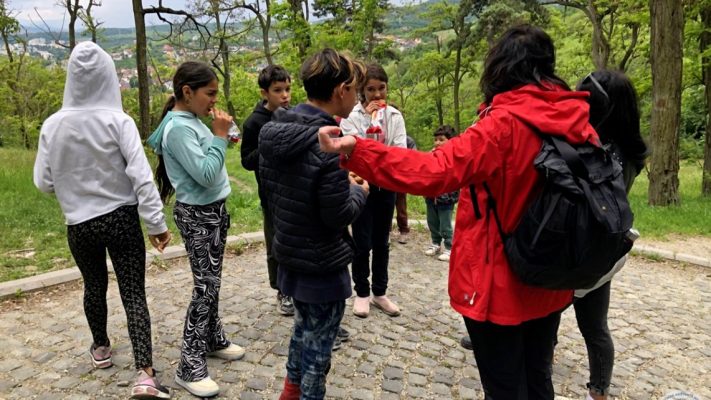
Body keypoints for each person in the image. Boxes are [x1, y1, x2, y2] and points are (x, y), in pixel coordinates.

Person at [318, 25, 599, 398]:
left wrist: (358, 149)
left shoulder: (502, 125)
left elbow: (433, 172)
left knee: (505, 388)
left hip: (501, 283)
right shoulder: (575, 116)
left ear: (499, 69)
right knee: (538, 379)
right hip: (552, 275)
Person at [33, 41, 172, 399]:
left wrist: (73, 188)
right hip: (121, 219)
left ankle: (100, 347)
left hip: (79, 223)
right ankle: (145, 374)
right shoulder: (118, 121)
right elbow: (141, 176)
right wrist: (156, 224)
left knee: (93, 286)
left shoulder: (52, 125)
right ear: (109, 76)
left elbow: (43, 182)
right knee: (133, 293)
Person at [258, 48, 368, 400]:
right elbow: (337, 214)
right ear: (341, 90)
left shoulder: (276, 130)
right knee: (318, 356)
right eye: (356, 90)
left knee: (302, 332)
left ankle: (289, 393)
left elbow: (282, 192)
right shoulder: (328, 142)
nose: (358, 98)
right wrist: (359, 191)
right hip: (322, 267)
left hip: (291, 256)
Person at [147, 61, 244, 398]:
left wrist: (223, 133)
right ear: (187, 92)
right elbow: (205, 173)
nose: (214, 100)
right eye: (210, 93)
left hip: (213, 211)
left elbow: (213, 158)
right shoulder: (178, 129)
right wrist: (219, 136)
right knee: (205, 288)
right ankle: (189, 366)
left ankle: (213, 338)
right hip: (198, 216)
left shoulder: (191, 121)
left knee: (212, 283)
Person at [572, 70, 648, 400]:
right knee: (594, 326)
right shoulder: (625, 150)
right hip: (605, 248)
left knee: (557, 317)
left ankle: (596, 388)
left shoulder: (607, 152)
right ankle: (599, 390)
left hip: (587, 247)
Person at [340, 63, 407, 318]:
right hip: (362, 186)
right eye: (371, 89)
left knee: (382, 241)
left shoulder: (394, 116)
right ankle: (362, 292)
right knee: (361, 241)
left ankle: (380, 291)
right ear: (362, 91)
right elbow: (354, 150)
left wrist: (377, 157)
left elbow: (399, 152)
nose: (377, 95)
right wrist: (369, 123)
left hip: (386, 185)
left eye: (381, 88)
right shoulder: (352, 116)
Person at [240, 64, 295, 316]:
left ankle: (298, 288)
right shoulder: (254, 123)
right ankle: (282, 290)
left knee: (295, 243)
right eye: (278, 90)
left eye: (287, 89)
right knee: (275, 245)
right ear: (264, 93)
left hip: (294, 192)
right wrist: (268, 145)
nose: (285, 95)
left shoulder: (293, 115)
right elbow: (246, 160)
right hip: (271, 195)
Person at [423, 125, 459, 262]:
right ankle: (435, 243)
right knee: (432, 222)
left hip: (446, 197)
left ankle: (449, 247)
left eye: (441, 139)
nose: (437, 142)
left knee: (445, 225)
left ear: (450, 141)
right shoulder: (431, 155)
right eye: (436, 139)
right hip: (431, 196)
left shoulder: (454, 156)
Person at [394, 135, 417, 244]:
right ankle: (386, 232)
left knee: (401, 205)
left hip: (401, 176)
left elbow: (414, 157)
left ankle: (404, 231)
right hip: (386, 175)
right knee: (385, 205)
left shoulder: (408, 140)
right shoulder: (387, 136)